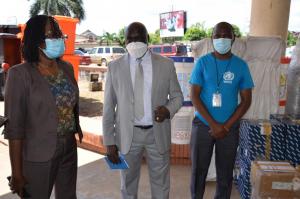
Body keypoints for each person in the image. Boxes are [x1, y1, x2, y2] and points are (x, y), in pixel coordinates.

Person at [4, 15, 82, 199]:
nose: (58, 38)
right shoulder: (19, 75)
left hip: (68, 146)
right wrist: (17, 172)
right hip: (38, 152)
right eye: (52, 33)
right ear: (36, 40)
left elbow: (72, 106)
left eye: (59, 33)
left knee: (68, 196)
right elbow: (14, 128)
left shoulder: (67, 68)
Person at [103, 22, 183, 199]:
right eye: (130, 39)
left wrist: (167, 110)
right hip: (127, 136)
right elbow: (108, 107)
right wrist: (109, 141)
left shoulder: (166, 65)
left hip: (157, 133)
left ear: (147, 39)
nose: (134, 42)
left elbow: (178, 97)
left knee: (161, 185)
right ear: (124, 41)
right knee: (127, 185)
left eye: (138, 38)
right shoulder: (114, 67)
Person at [189, 22, 254, 199]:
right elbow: (194, 96)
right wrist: (214, 124)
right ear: (212, 38)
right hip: (203, 125)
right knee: (198, 173)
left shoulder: (241, 66)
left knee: (225, 176)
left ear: (233, 38)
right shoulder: (202, 62)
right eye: (218, 35)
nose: (222, 39)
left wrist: (225, 126)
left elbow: (246, 100)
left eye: (226, 35)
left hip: (229, 129)